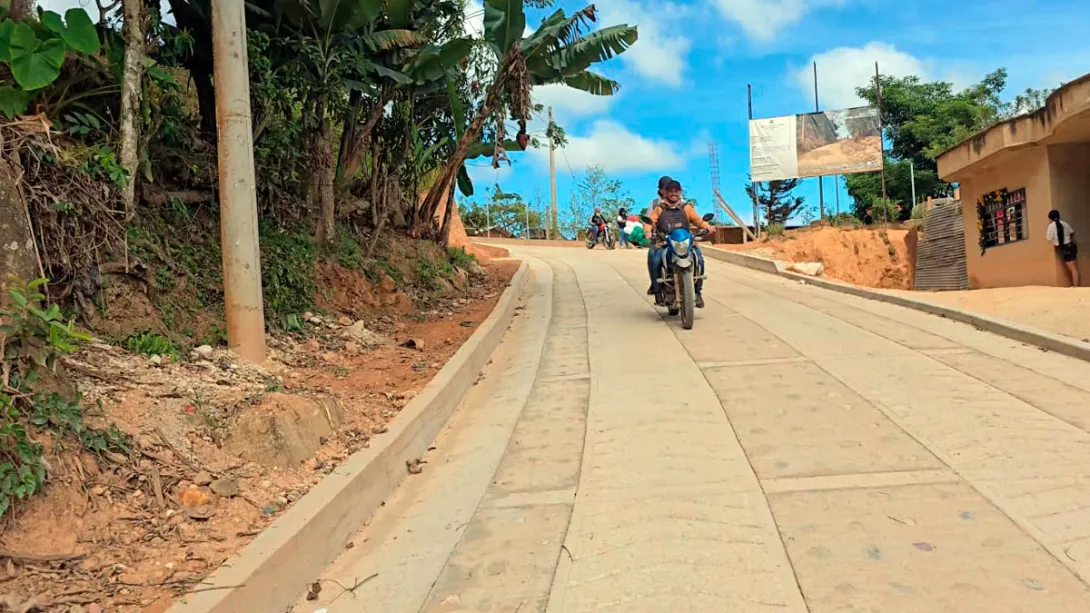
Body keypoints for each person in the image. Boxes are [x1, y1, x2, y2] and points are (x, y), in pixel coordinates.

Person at [645, 180, 713, 308]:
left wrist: (707, 226)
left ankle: (698, 292)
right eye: (670, 191)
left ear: (680, 192)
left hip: (686, 242)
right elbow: (650, 221)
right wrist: (647, 231)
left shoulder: (686, 207)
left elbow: (697, 220)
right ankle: (657, 290)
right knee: (655, 260)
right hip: (665, 242)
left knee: (699, 259)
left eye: (676, 191)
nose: (673, 193)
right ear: (665, 193)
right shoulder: (659, 208)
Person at [1047, 209, 1080, 287]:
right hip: (1070, 246)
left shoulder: (1051, 226)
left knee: (1073, 268)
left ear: (1050, 218)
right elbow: (1072, 232)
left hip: (1065, 247)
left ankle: (1076, 287)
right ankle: (1075, 285)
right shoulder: (1064, 224)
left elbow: (1049, 238)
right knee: (1072, 268)